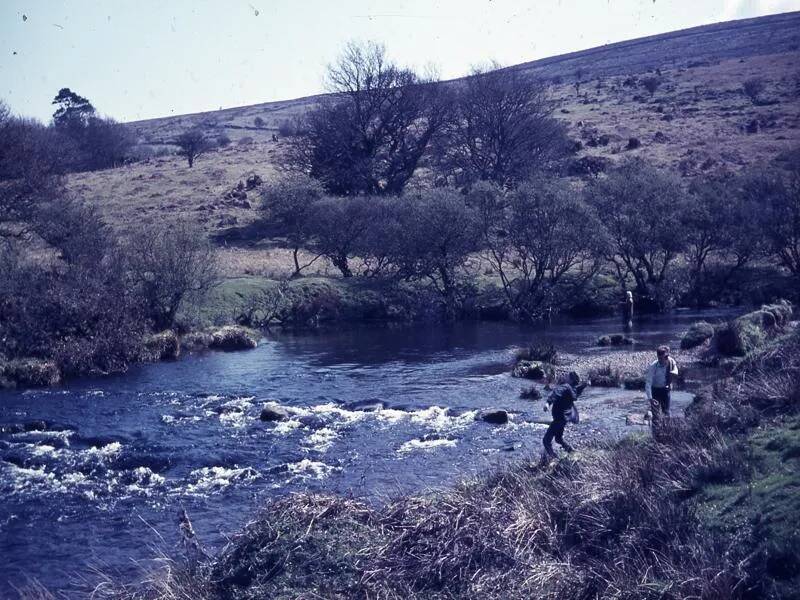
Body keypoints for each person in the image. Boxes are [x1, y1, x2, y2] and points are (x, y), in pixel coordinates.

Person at [543, 371, 586, 459]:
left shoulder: (565, 387)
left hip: (559, 419)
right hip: (564, 419)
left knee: (546, 441)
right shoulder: (571, 389)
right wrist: (584, 385)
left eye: (567, 376)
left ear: (570, 379)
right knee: (558, 439)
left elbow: (556, 392)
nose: (565, 377)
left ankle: (554, 458)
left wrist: (548, 403)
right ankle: (572, 452)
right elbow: (577, 391)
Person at [645, 345, 678, 427]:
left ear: (666, 356)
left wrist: (673, 373)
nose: (660, 360)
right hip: (655, 390)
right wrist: (650, 398)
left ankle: (667, 431)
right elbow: (648, 383)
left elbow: (676, 370)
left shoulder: (671, 361)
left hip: (665, 390)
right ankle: (655, 433)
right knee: (655, 415)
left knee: (666, 413)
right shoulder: (653, 366)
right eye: (658, 358)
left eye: (661, 358)